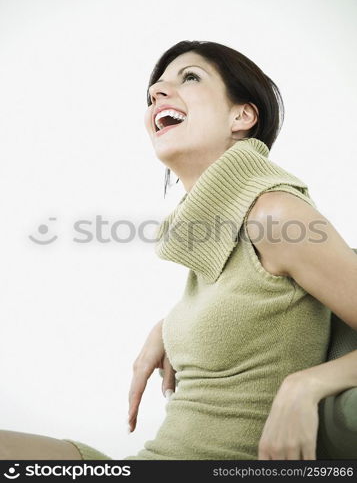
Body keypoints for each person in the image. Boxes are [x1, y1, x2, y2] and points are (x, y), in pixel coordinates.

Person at [1, 40, 356, 461]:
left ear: (241, 116)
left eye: (190, 77)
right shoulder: (218, 243)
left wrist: (306, 385)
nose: (157, 93)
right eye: (155, 88)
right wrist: (168, 326)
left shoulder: (276, 215)